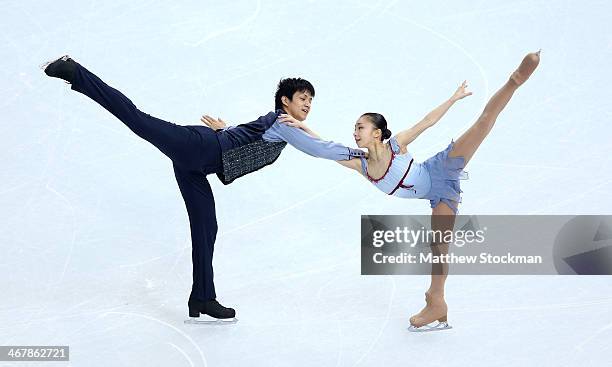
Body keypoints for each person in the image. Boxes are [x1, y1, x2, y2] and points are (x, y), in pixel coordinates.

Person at [41, 55, 365, 322]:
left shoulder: (277, 122)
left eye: (311, 100)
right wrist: (361, 154)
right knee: (136, 118)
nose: (308, 104)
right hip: (197, 147)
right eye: (303, 99)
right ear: (286, 101)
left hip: (196, 164)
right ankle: (75, 71)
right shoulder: (283, 124)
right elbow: (320, 149)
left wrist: (228, 129)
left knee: (206, 228)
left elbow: (249, 135)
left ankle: (202, 298)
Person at [277, 51, 541, 331]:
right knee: (440, 249)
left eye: (361, 127)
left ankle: (515, 80)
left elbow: (426, 122)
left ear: (377, 132)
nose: (355, 132)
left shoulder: (396, 145)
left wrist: (452, 99)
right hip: (440, 195)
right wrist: (302, 126)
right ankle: (437, 302)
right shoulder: (361, 165)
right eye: (354, 128)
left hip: (442, 169)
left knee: (483, 124)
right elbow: (326, 147)